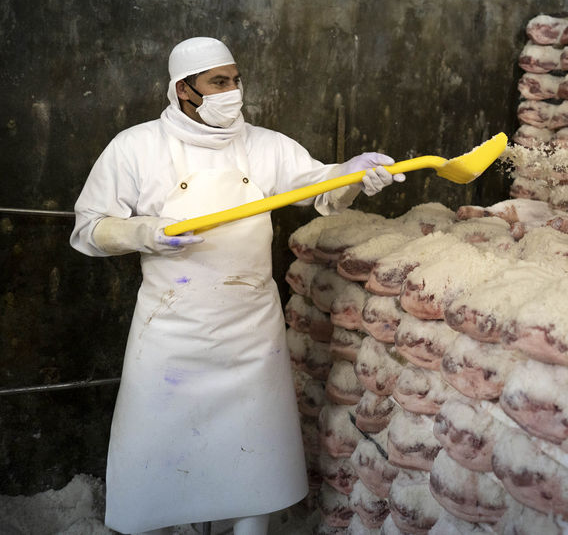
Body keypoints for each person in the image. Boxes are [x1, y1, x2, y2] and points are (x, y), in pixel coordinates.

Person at [70, 37, 404, 535]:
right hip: (172, 328)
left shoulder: (265, 145)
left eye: (235, 79)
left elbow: (320, 184)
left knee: (253, 450)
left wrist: (352, 173)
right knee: (158, 447)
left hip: (249, 329)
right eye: (218, 83)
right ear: (185, 90)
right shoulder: (135, 146)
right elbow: (89, 227)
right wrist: (146, 232)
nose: (233, 91)